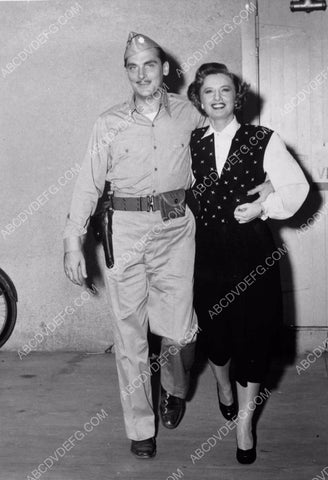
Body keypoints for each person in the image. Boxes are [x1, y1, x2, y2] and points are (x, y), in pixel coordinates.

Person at [63, 32, 205, 459]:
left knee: (180, 330)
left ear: (165, 69)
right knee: (130, 337)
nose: (141, 74)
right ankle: (141, 427)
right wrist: (73, 240)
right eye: (132, 66)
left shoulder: (189, 115)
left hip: (176, 229)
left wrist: (269, 179)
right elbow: (88, 182)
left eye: (148, 64)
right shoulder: (108, 122)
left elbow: (227, 152)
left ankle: (176, 387)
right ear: (126, 72)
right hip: (123, 230)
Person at [187, 63, 309, 464]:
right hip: (207, 254)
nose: (218, 97)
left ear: (237, 96)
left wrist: (263, 206)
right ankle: (222, 386)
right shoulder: (192, 142)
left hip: (253, 254)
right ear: (199, 99)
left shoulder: (262, 138)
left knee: (254, 336)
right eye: (209, 92)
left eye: (225, 90)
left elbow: (297, 187)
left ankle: (244, 422)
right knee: (217, 337)